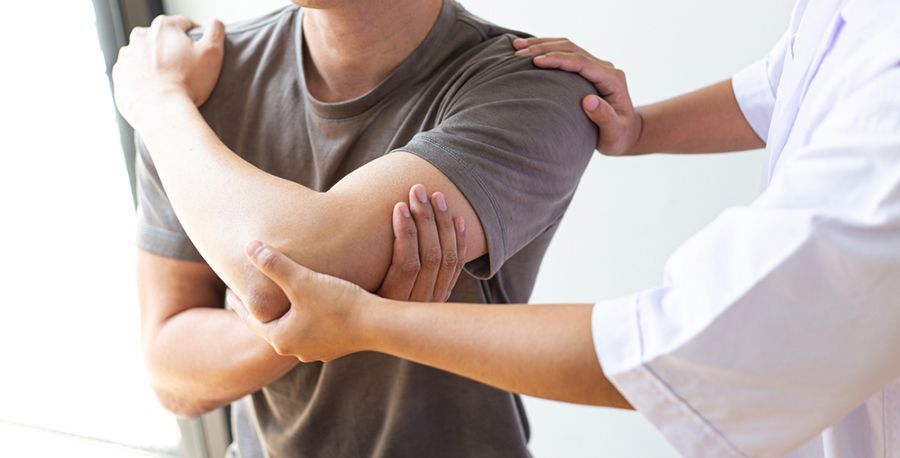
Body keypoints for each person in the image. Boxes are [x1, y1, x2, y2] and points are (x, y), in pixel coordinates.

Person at [226, 0, 900, 456]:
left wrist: (368, 322)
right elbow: (788, 82)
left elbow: (678, 345)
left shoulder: (518, 86)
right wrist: (638, 130)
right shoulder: (224, 70)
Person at [112, 0, 599, 456]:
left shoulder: (536, 88)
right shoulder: (200, 74)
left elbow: (276, 281)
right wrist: (340, 319)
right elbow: (171, 372)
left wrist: (158, 107)